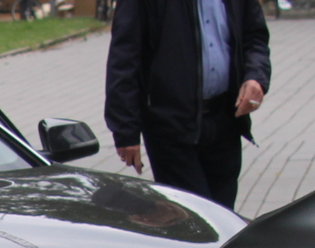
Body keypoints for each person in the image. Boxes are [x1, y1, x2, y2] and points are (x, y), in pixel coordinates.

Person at [105, 0, 269, 211]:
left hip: (225, 119)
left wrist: (256, 77)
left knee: (224, 216)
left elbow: (255, 36)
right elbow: (124, 55)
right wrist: (125, 128)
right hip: (171, 125)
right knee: (194, 218)